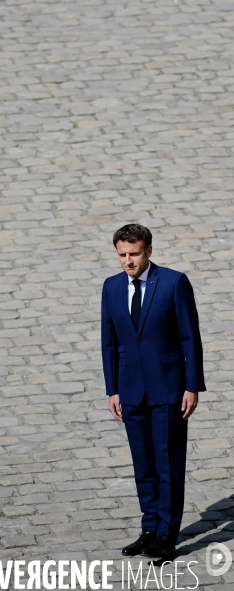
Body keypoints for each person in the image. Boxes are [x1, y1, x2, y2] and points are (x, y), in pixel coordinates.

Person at [101, 224, 205, 560]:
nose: (128, 261)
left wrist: (192, 385)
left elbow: (191, 337)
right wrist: (112, 389)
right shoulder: (112, 287)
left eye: (134, 254)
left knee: (168, 463)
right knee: (143, 463)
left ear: (148, 251)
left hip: (169, 388)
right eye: (122, 255)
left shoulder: (174, 283)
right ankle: (149, 527)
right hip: (130, 390)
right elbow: (109, 343)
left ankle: (167, 535)